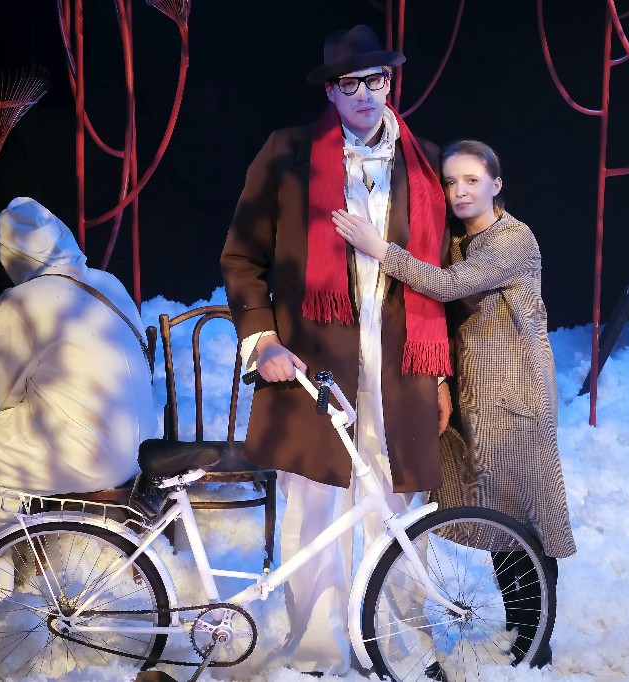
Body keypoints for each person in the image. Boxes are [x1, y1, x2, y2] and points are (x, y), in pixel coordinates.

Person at [220, 25, 452, 676]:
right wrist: (263, 338)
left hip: (402, 364)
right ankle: (318, 651)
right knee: (314, 506)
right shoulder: (287, 153)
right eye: (349, 84)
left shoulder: (424, 160)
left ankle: (397, 644)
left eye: (375, 80)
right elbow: (241, 257)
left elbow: (438, 274)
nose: (364, 95)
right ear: (330, 90)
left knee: (396, 508)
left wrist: (441, 377)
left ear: (390, 82)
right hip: (313, 363)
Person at [332, 139, 577, 669]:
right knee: (499, 517)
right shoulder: (460, 239)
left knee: (525, 517)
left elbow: (448, 286)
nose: (460, 191)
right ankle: (522, 634)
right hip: (477, 393)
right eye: (450, 182)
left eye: (472, 180)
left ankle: (535, 643)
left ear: (496, 184)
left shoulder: (512, 239)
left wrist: (380, 248)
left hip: (516, 395)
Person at [0, 196, 157, 610]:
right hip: (140, 445)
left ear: (9, 254)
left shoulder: (21, 301)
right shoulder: (108, 284)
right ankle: (12, 543)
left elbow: (6, 396)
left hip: (82, 451)